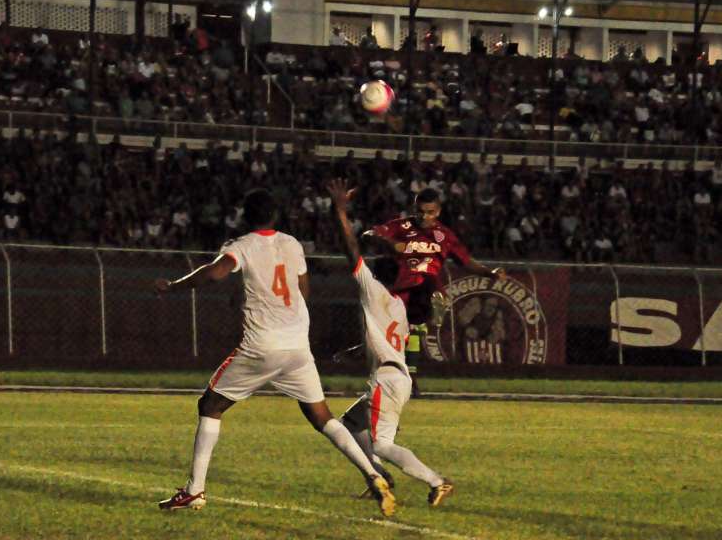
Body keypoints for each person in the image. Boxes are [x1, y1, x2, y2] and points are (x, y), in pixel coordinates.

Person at [154, 188, 396, 516]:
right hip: (297, 343)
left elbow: (214, 273)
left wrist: (173, 286)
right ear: (275, 216)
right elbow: (303, 290)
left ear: (244, 215)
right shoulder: (292, 243)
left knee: (210, 404)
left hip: (262, 345)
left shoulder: (241, 246)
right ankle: (372, 474)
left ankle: (195, 491)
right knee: (322, 416)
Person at [327, 179, 455, 507]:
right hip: (397, 375)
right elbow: (386, 338)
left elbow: (351, 250)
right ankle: (379, 477)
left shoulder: (374, 290)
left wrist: (340, 211)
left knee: (382, 444)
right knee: (351, 423)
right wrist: (356, 350)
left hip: (387, 379)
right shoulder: (398, 303)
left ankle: (436, 481)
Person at [363, 188, 506, 393]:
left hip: (425, 287)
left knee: (426, 288)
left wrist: (489, 273)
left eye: (430, 212)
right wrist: (392, 244)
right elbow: (368, 234)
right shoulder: (401, 227)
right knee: (405, 335)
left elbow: (465, 260)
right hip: (400, 290)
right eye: (421, 211)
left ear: (438, 211)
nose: (424, 216)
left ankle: (432, 308)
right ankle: (403, 375)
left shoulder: (444, 235)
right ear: (414, 208)